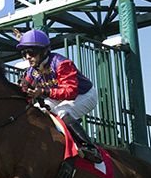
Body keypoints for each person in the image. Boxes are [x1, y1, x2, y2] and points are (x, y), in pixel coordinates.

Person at [17, 29, 102, 163]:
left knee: (62, 112)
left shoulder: (62, 64)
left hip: (84, 94)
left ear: (44, 51)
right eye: (24, 53)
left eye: (31, 52)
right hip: (58, 96)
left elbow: (71, 92)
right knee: (37, 111)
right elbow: (23, 90)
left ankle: (90, 148)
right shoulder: (31, 71)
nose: (27, 57)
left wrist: (43, 92)